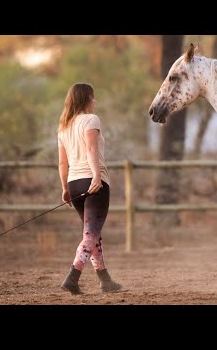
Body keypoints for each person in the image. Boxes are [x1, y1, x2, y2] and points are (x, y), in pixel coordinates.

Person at [57, 82, 121, 295]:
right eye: (93, 97)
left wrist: (65, 187)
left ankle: (105, 280)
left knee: (92, 235)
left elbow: (62, 163)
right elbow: (92, 148)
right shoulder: (91, 120)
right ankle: (72, 277)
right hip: (93, 182)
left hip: (74, 185)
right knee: (90, 235)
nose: (95, 101)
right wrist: (96, 176)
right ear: (86, 99)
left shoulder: (63, 126)